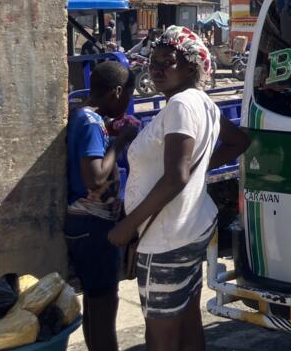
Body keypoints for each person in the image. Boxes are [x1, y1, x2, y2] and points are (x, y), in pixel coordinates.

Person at [107, 26, 249, 351]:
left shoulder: (181, 106)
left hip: (165, 241)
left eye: (166, 62)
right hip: (190, 230)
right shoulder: (202, 102)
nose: (155, 68)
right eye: (152, 61)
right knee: (187, 324)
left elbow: (175, 178)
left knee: (160, 339)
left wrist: (127, 226)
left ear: (189, 67)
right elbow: (239, 141)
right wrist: (200, 169)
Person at [65, 61, 138, 351]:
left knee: (96, 301)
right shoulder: (91, 123)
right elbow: (95, 179)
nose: (128, 103)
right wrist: (120, 142)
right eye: (128, 96)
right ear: (117, 91)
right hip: (93, 226)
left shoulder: (84, 117)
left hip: (83, 225)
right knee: (105, 302)